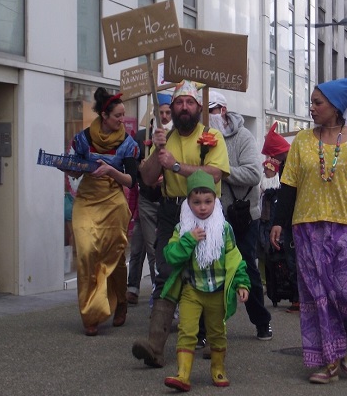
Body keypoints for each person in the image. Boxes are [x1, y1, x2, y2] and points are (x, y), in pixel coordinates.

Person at [270, 76, 347, 384]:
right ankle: (330, 361)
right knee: (316, 297)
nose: (311, 108)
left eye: (317, 103)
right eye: (311, 102)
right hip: (307, 227)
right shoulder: (301, 141)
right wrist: (278, 222)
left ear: (336, 107)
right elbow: (288, 186)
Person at [131, 80, 230, 368]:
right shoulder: (164, 137)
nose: (184, 107)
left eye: (189, 103)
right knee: (165, 274)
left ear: (199, 108)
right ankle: (155, 346)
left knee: (210, 273)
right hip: (170, 212)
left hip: (205, 213)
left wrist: (175, 166)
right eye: (179, 103)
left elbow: (214, 173)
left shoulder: (213, 136)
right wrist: (158, 154)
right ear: (171, 109)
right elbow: (148, 179)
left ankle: (215, 340)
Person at [161, 170, 250, 391]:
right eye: (197, 202)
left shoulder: (224, 229)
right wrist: (188, 241)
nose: (202, 207)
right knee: (187, 330)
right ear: (188, 203)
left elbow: (234, 258)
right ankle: (183, 374)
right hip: (192, 290)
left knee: (217, 333)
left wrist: (242, 283)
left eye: (208, 201)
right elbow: (171, 255)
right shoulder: (182, 229)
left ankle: (218, 370)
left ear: (215, 201)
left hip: (218, 291)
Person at [63, 88, 139, 336]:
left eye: (123, 115)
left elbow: (131, 181)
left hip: (113, 201)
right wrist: (70, 168)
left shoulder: (128, 143)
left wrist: (110, 171)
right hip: (86, 200)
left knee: (115, 256)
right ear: (104, 115)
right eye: (117, 115)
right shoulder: (83, 139)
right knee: (86, 253)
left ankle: (121, 303)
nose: (121, 119)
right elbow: (73, 170)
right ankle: (90, 314)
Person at [208, 90, 273, 340]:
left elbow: (253, 174)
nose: (207, 116)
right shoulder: (201, 138)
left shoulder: (243, 136)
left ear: (222, 111)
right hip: (211, 215)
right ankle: (207, 328)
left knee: (246, 267)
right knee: (209, 269)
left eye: (211, 110)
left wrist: (221, 171)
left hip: (242, 216)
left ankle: (261, 320)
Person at [126, 92, 173, 305]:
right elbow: (134, 166)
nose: (164, 116)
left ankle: (161, 295)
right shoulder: (141, 137)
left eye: (167, 112)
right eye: (161, 112)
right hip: (146, 198)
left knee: (159, 249)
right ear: (154, 113)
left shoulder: (175, 136)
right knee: (148, 248)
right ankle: (152, 294)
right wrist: (145, 171)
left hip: (167, 199)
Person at [259, 122, 298, 312]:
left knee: (294, 259)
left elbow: (286, 196)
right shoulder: (288, 162)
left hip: (294, 218)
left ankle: (299, 298)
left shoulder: (289, 164)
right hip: (292, 218)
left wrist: (279, 222)